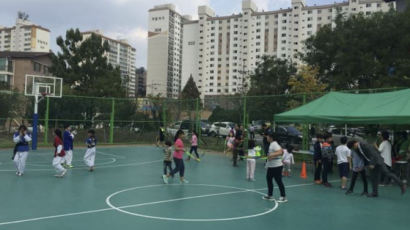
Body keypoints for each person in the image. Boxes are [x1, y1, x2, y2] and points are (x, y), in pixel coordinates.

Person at [262, 133, 287, 203]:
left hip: (277, 166)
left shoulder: (274, 144)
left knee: (278, 181)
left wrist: (271, 155)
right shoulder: (272, 144)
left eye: (267, 136)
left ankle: (283, 197)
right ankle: (270, 195)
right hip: (271, 166)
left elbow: (281, 152)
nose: (266, 137)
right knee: (269, 179)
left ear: (271, 138)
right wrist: (270, 156)